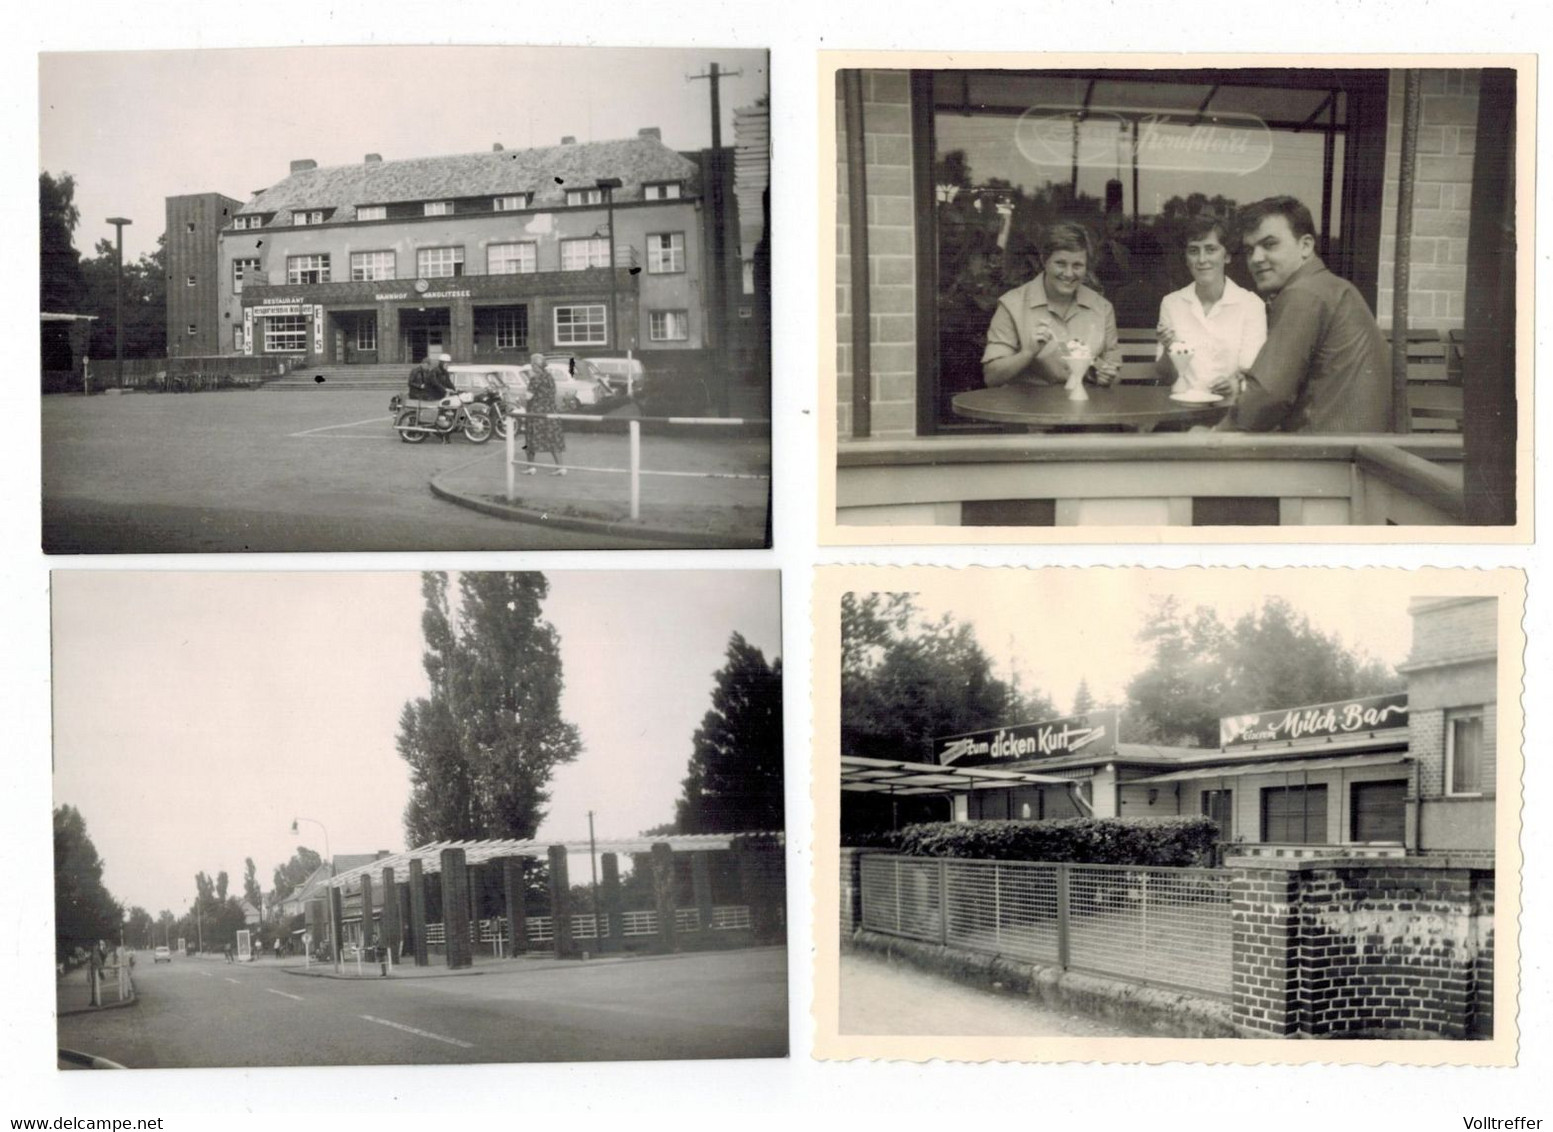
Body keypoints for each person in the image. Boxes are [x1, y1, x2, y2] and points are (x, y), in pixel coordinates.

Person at [1219, 196, 1391, 433]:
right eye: (1249, 250)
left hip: (1331, 456)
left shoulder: (1304, 293)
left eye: (1269, 244)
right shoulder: (1327, 286)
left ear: (1306, 246)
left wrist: (1217, 435)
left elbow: (1269, 395)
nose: (1256, 259)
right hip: (1355, 445)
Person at [981, 221, 1121, 390]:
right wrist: (1028, 353)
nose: (1069, 274)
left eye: (1077, 265)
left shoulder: (1102, 308)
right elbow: (991, 376)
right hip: (1028, 409)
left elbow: (1115, 374)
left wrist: (1107, 376)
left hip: (1085, 408)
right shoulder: (1012, 305)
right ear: (1044, 260)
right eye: (1060, 263)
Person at [1154, 213, 1267, 398]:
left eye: (1210, 249)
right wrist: (1168, 348)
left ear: (1227, 256)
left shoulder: (1251, 305)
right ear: (1186, 258)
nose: (1201, 259)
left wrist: (1235, 385)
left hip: (1229, 411)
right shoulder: (1172, 303)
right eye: (1193, 251)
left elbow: (1252, 372)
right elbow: (1166, 377)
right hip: (1182, 409)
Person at [520, 351, 567, 476]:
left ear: (536, 365)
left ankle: (531, 467)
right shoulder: (549, 377)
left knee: (530, 439)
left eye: (532, 364)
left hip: (536, 413)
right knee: (553, 439)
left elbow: (528, 397)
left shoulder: (535, 379)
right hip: (550, 411)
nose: (531, 367)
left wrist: (519, 399)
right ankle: (560, 467)